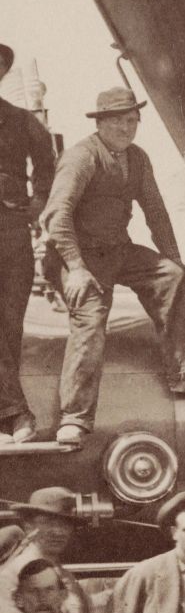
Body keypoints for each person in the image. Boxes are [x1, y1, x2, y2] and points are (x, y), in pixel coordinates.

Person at [42, 87, 185, 445]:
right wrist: (76, 268)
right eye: (117, 121)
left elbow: (155, 212)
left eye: (132, 120)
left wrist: (174, 258)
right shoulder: (82, 157)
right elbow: (56, 216)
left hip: (117, 250)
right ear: (100, 123)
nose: (126, 128)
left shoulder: (137, 158)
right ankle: (74, 418)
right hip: (75, 254)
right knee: (90, 319)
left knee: (171, 276)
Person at [0, 44, 53, 445]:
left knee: (10, 323)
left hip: (11, 229)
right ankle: (16, 414)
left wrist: (37, 204)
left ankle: (5, 419)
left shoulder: (20, 120)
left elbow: (48, 164)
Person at [0, 487, 100, 613]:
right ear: (29, 526)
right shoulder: (13, 576)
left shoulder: (67, 578)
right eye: (48, 523)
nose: (58, 532)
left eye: (65, 524)